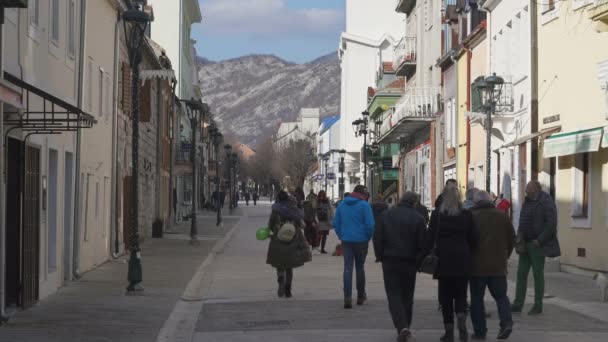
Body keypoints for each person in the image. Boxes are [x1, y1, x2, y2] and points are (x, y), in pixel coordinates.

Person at [426, 186, 478, 342]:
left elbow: (430, 237)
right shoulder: (466, 214)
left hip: (443, 259)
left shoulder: (437, 215)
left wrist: (425, 254)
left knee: (445, 297)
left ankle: (449, 332)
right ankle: (461, 318)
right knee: (461, 294)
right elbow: (474, 238)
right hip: (462, 258)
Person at [374, 192, 427, 342]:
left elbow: (377, 236)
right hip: (409, 261)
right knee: (407, 296)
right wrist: (419, 261)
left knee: (393, 294)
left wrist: (380, 255)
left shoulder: (386, 215)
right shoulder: (418, 218)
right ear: (415, 203)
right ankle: (406, 326)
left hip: (390, 260)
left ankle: (402, 327)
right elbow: (422, 243)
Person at [470, 191, 515, 340]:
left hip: (477, 266)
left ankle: (480, 331)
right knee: (501, 296)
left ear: (475, 202)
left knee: (477, 299)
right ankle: (506, 322)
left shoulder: (471, 216)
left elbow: (467, 240)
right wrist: (504, 256)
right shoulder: (502, 216)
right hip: (498, 265)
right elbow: (511, 239)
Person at [511, 181, 560, 316]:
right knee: (521, 274)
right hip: (525, 243)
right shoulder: (527, 201)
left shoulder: (546, 202)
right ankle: (517, 303)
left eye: (528, 190)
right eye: (526, 189)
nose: (526, 192)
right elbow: (523, 219)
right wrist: (519, 237)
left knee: (538, 275)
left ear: (536, 190)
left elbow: (551, 224)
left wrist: (540, 240)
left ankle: (538, 305)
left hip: (537, 244)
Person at [333, 185, 375, 309]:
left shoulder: (342, 205)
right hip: (361, 240)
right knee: (360, 267)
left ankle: (347, 297)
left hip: (346, 240)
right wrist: (367, 237)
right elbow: (370, 224)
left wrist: (342, 235)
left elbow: (336, 223)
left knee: (347, 268)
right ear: (362, 194)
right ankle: (360, 296)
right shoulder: (364, 205)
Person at [266, 191, 310, 298]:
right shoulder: (294, 210)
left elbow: (270, 224)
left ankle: (281, 277)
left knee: (279, 262)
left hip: (278, 238)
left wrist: (273, 230)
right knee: (289, 265)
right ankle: (288, 289)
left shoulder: (276, 210)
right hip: (293, 239)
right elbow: (302, 224)